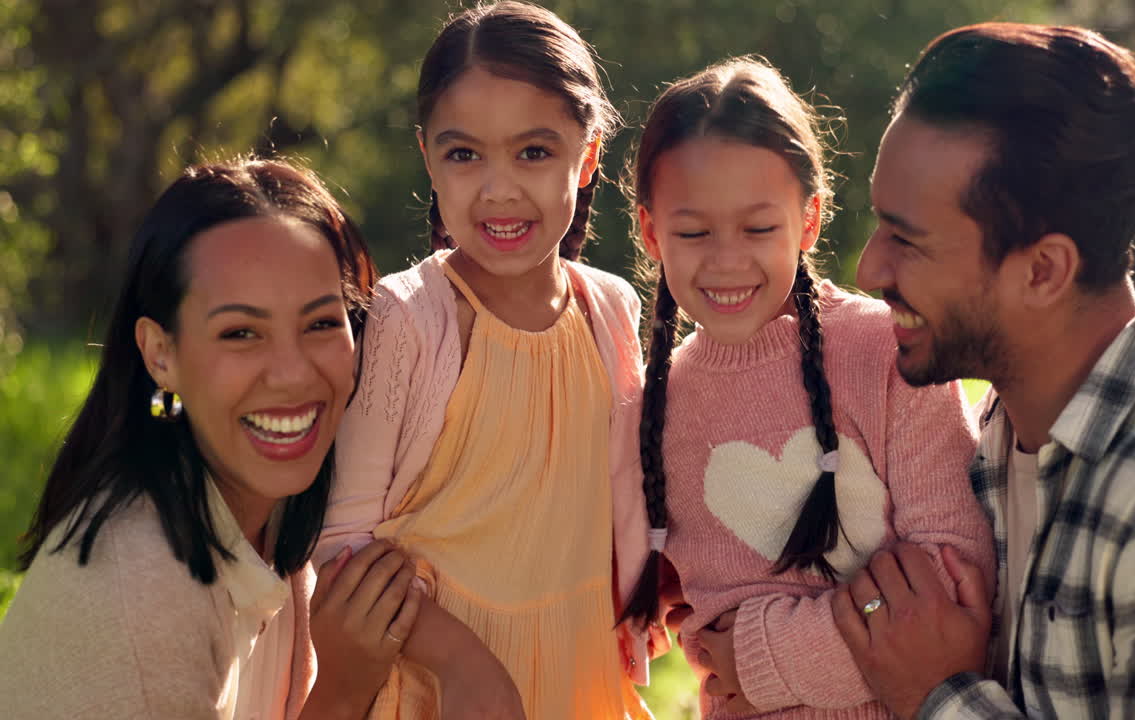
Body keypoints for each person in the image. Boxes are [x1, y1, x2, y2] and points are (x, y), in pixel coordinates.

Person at [833, 22, 1135, 719]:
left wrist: (938, 697)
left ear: (1042, 271)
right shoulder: (997, 437)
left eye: (907, 240)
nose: (869, 270)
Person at [618, 56, 995, 719]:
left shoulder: (888, 353)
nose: (727, 258)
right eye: (694, 231)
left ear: (810, 219)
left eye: (759, 228)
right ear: (651, 231)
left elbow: (954, 580)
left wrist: (758, 658)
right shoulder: (652, 405)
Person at [315, 2, 653, 718]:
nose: (499, 189)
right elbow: (340, 550)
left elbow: (627, 498)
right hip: (438, 687)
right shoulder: (406, 319)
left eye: (534, 152)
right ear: (427, 156)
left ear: (587, 155)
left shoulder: (613, 310)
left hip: (578, 678)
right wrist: (461, 664)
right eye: (464, 154)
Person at [0, 157, 424, 719]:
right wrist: (342, 692)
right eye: (241, 333)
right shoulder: (141, 592)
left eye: (321, 323)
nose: (294, 374)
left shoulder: (279, 516)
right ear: (161, 354)